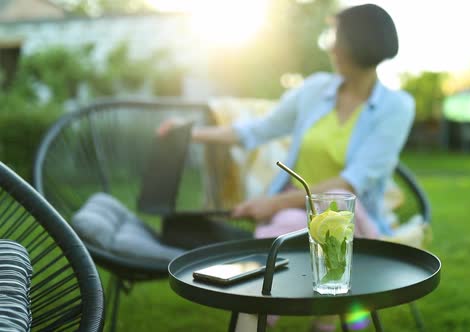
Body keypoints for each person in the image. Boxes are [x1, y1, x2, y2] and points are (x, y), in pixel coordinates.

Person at [160, 4, 414, 331]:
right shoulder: (315, 89)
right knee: (291, 232)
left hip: (351, 218)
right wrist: (189, 133)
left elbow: (350, 185)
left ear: (359, 43)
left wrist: (273, 203)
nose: (331, 45)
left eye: (337, 37)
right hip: (292, 213)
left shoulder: (397, 107)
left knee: (298, 231)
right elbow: (257, 130)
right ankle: (287, 313)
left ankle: (269, 309)